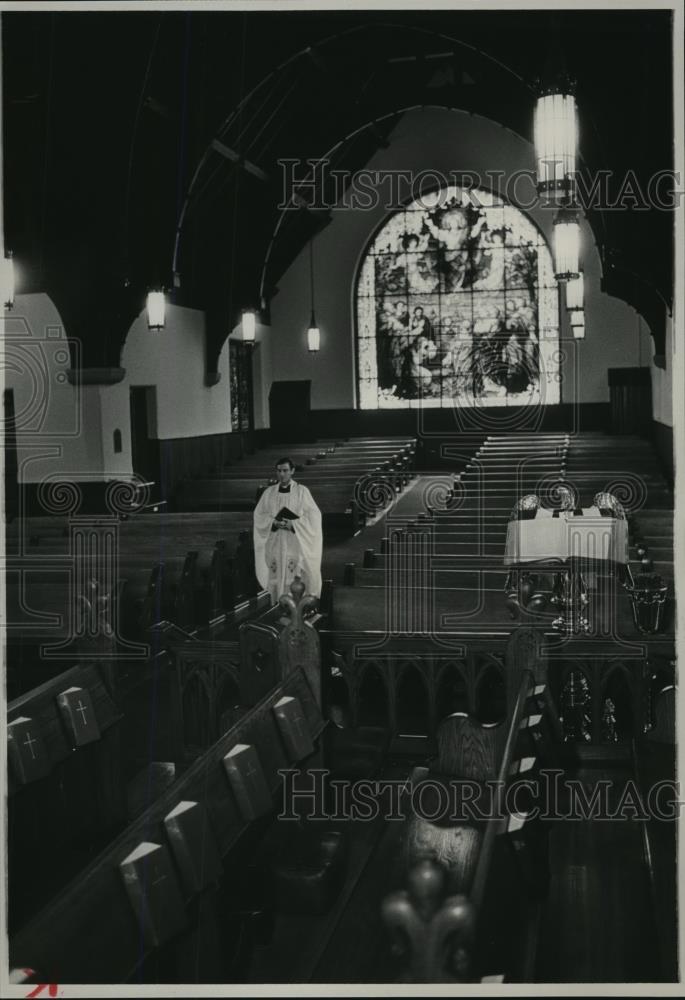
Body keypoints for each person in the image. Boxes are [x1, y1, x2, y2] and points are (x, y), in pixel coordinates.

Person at [253, 457, 322, 604]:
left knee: (295, 575)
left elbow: (315, 516)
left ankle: (297, 608)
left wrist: (293, 524)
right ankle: (277, 606)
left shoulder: (302, 491)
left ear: (292, 471)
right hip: (275, 541)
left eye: (285, 470)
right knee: (276, 574)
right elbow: (259, 515)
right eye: (279, 471)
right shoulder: (269, 493)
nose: (282, 474)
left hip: (294, 542)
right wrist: (273, 522)